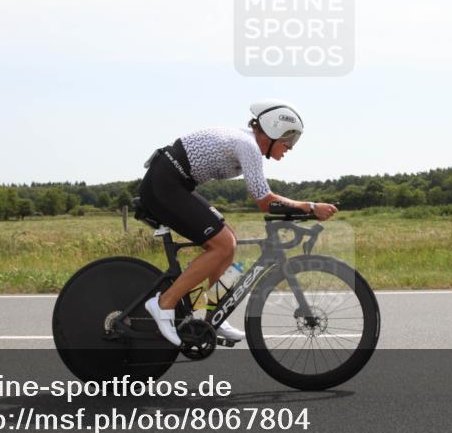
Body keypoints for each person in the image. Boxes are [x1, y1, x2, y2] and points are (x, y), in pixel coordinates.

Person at [139, 100, 338, 346]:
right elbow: (265, 201)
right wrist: (310, 207)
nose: (290, 147)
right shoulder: (249, 147)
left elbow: (265, 198)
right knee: (222, 245)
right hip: (165, 184)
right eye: (290, 139)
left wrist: (303, 209)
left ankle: (214, 316)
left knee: (228, 245)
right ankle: (163, 304)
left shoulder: (247, 143)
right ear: (274, 132)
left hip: (174, 182)